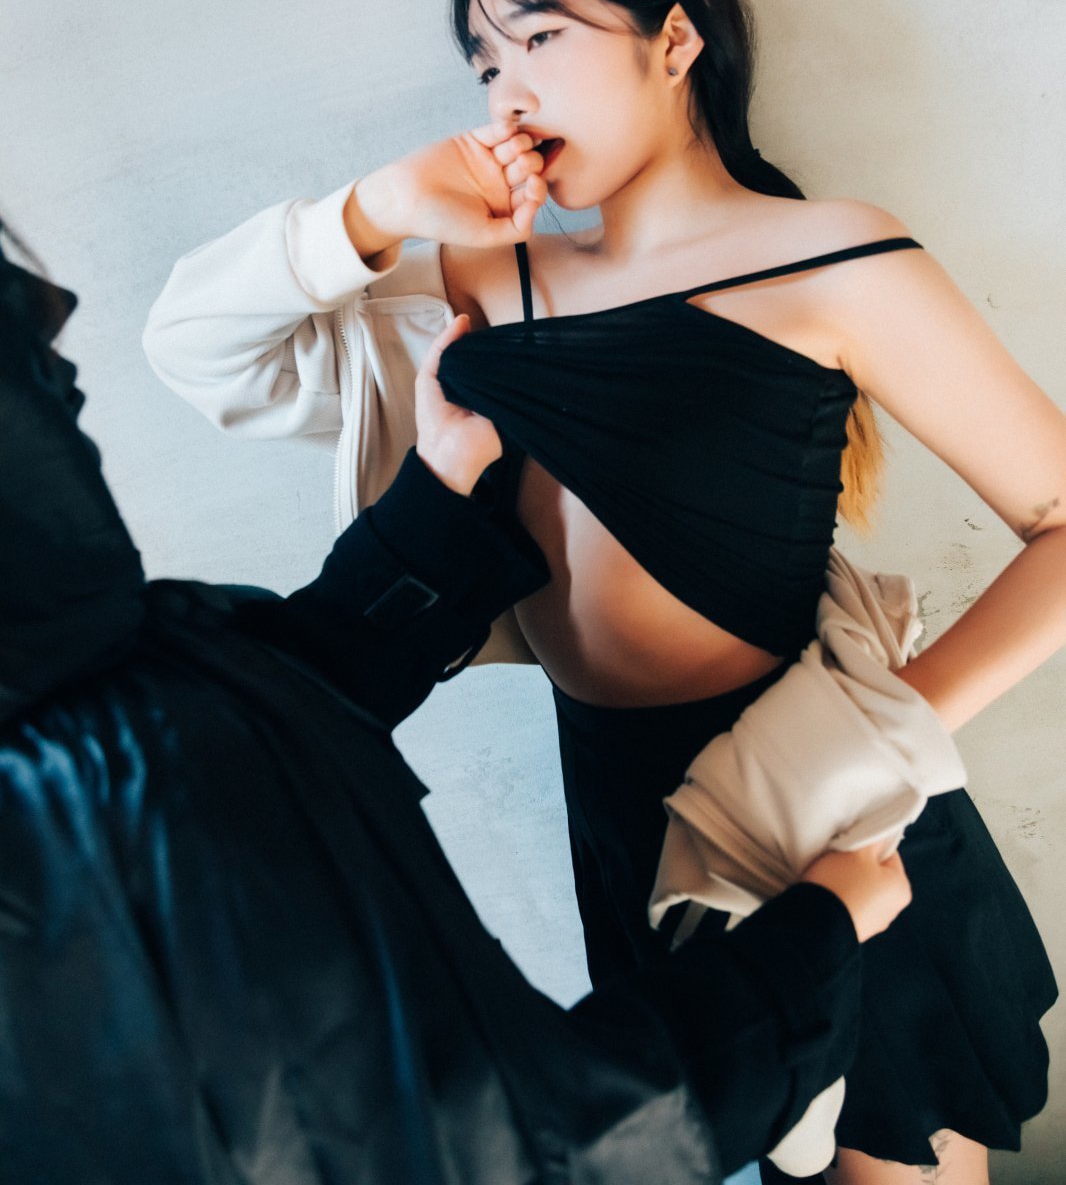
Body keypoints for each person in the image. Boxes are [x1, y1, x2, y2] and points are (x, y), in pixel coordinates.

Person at [142, 0, 1064, 1183]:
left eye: (539, 37)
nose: (505, 93)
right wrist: (381, 206)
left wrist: (882, 732)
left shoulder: (831, 257)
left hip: (830, 797)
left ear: (673, 40)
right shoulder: (479, 278)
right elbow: (191, 344)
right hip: (620, 813)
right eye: (482, 63)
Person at [0, 223, 914, 1185]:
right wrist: (814, 940)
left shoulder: (100, 700)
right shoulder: (92, 807)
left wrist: (440, 477)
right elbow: (524, 1146)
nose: (56, 315)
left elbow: (295, 682)